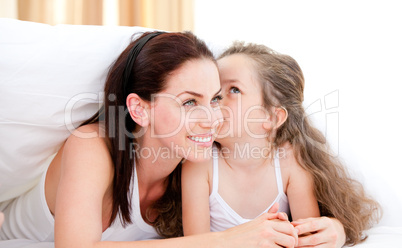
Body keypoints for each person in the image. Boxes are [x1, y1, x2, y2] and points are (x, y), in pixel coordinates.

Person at [0, 31, 301, 247]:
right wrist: (222, 241)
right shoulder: (92, 145)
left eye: (214, 99)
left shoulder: (198, 163)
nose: (211, 119)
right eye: (189, 102)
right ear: (139, 109)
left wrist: (335, 229)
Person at [182, 41, 381, 247]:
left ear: (272, 117)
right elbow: (195, 243)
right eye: (215, 92)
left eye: (234, 89)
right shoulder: (199, 164)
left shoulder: (289, 162)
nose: (215, 100)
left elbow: (307, 237)